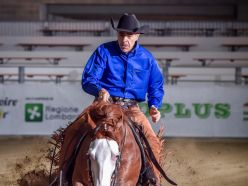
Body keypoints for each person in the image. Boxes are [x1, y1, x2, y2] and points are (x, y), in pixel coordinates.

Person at [81, 13, 164, 184]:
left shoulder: (147, 58)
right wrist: (99, 90)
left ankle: (152, 179)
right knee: (75, 131)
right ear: (117, 34)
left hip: (132, 109)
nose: (124, 39)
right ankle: (64, 171)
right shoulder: (104, 51)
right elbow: (88, 79)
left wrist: (154, 105)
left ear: (137, 36)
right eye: (121, 34)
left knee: (152, 141)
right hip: (105, 106)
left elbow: (155, 86)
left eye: (129, 35)